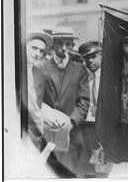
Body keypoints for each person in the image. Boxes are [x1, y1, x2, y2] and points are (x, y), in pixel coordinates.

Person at [38, 27, 90, 176]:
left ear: (73, 46)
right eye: (59, 43)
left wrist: (71, 122)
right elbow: (37, 100)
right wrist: (47, 118)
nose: (63, 48)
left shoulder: (80, 70)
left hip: (72, 136)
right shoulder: (42, 68)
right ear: (53, 45)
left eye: (68, 44)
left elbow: (84, 101)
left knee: (69, 173)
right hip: (47, 133)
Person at [75, 41, 111, 177]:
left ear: (102, 55)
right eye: (86, 58)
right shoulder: (85, 78)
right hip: (87, 124)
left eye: (93, 56)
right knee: (86, 158)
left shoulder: (108, 77)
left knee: (103, 161)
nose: (89, 61)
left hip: (105, 124)